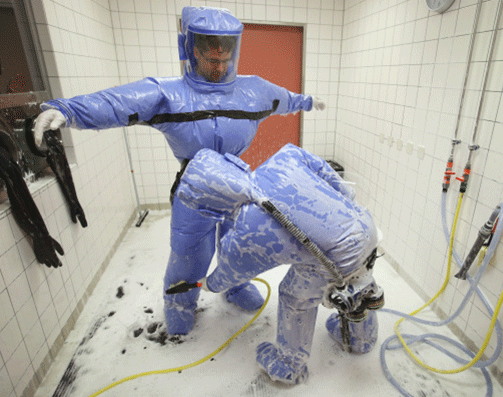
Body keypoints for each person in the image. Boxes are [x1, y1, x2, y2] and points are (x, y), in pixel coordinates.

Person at [32, 7, 326, 335]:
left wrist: (308, 101)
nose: (220, 67)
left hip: (238, 184)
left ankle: (236, 286)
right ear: (191, 51)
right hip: (195, 192)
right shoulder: (169, 94)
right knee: (189, 256)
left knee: (239, 245)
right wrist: (68, 110)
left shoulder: (253, 91)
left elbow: (285, 99)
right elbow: (118, 103)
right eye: (211, 60)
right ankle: (179, 303)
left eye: (225, 60)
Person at [168, 143, 382, 384]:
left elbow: (230, 273)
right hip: (364, 226)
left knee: (295, 297)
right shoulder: (285, 156)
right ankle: (361, 338)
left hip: (335, 256)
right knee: (358, 280)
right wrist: (342, 209)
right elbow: (326, 172)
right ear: (233, 164)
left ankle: (288, 365)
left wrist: (209, 284)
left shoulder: (249, 228)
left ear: (210, 204)